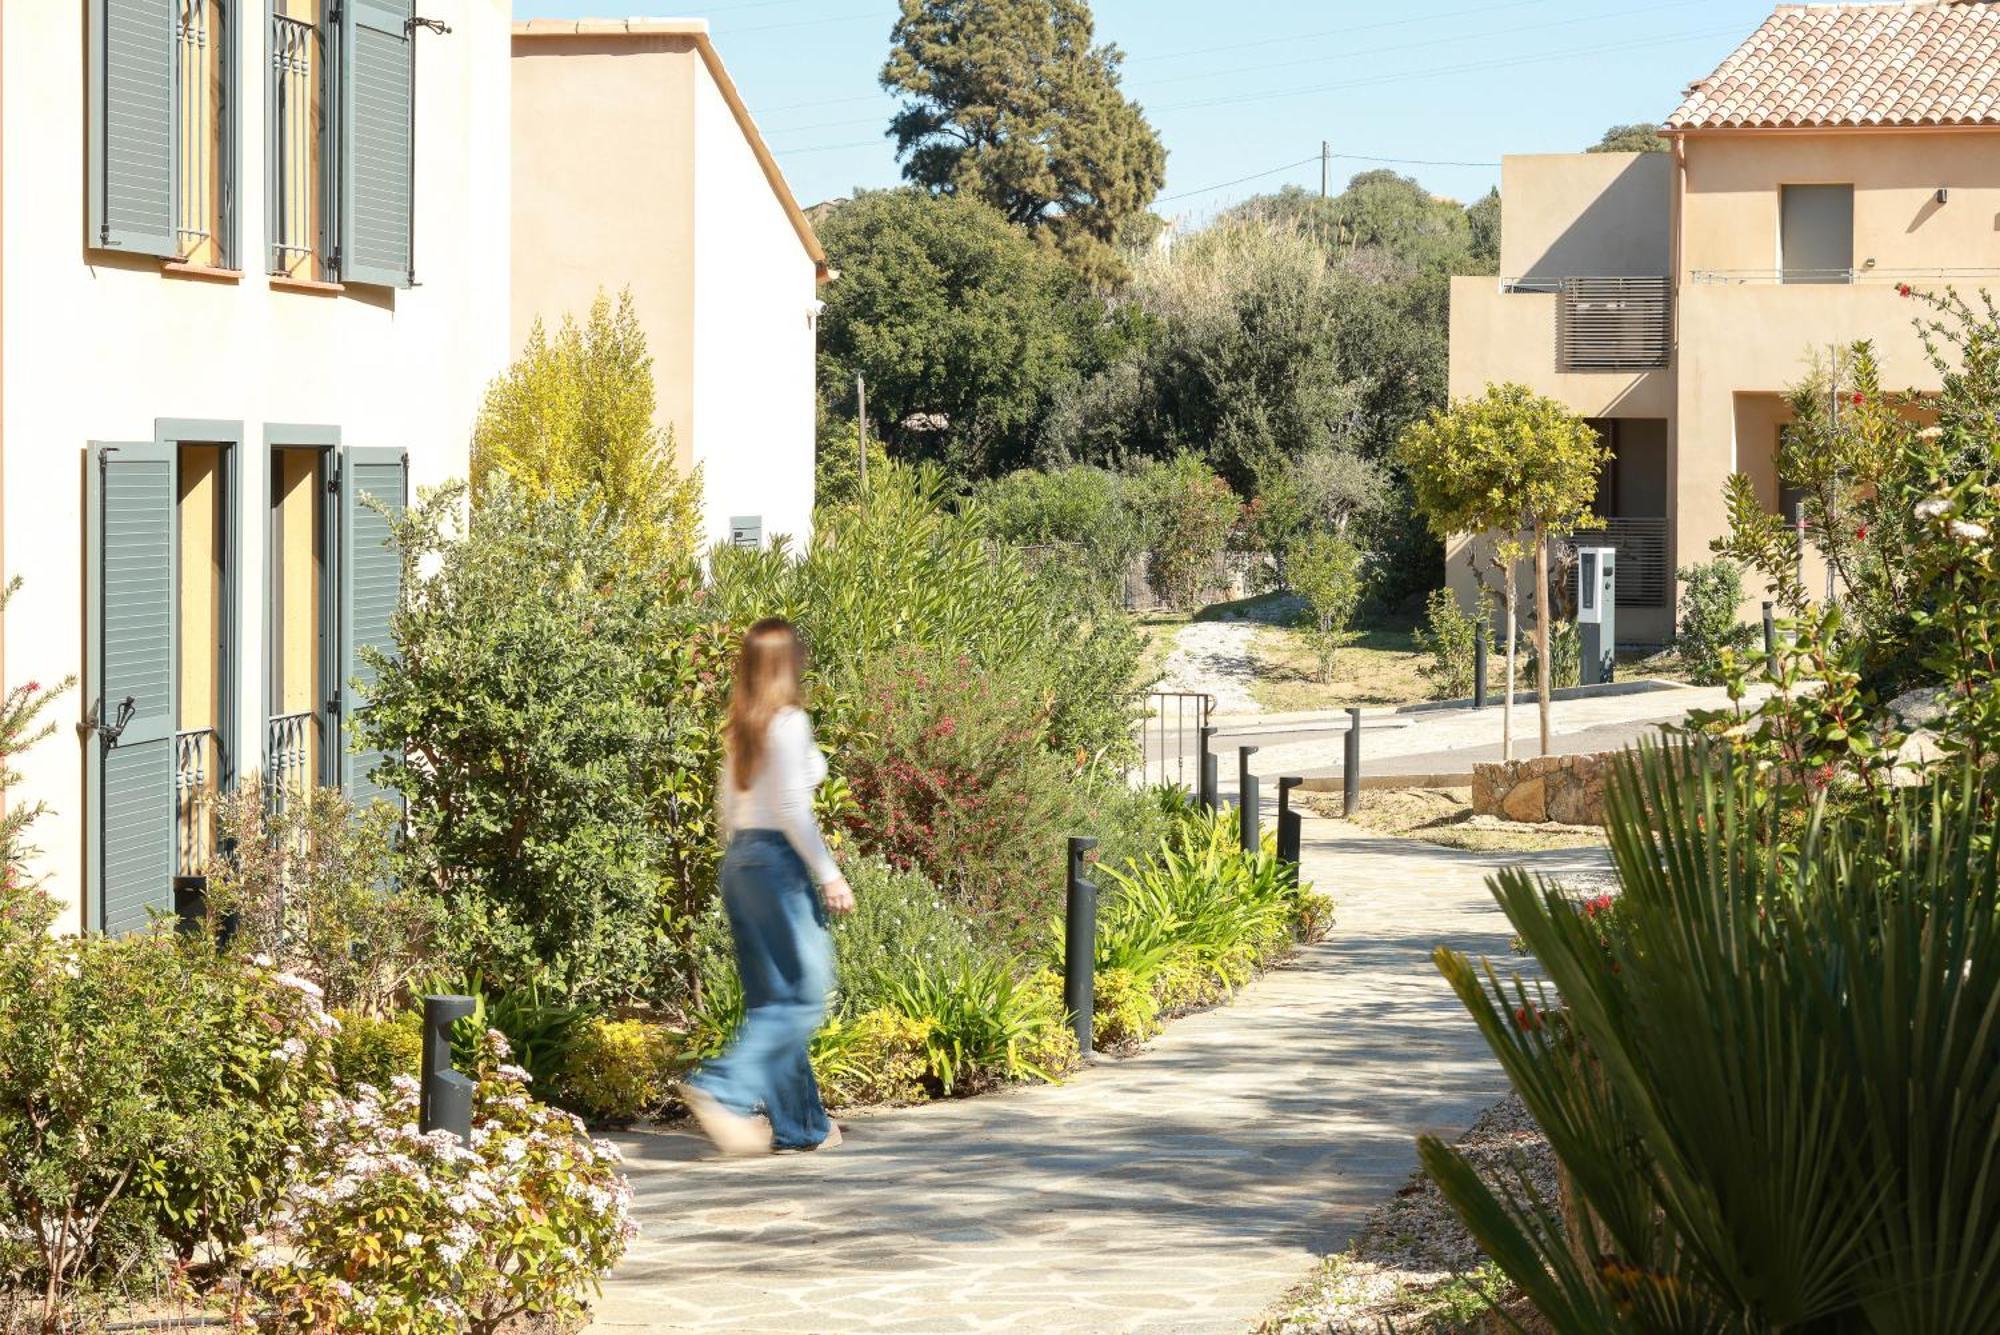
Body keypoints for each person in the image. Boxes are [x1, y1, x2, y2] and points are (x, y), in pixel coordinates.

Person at [682, 618, 854, 1156]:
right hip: (777, 860)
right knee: (803, 998)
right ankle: (723, 1088)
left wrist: (743, 863)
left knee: (773, 1004)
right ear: (787, 662)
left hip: (741, 860)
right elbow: (791, 807)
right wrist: (828, 873)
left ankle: (802, 1126)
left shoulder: (742, 726)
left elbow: (726, 807)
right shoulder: (789, 721)